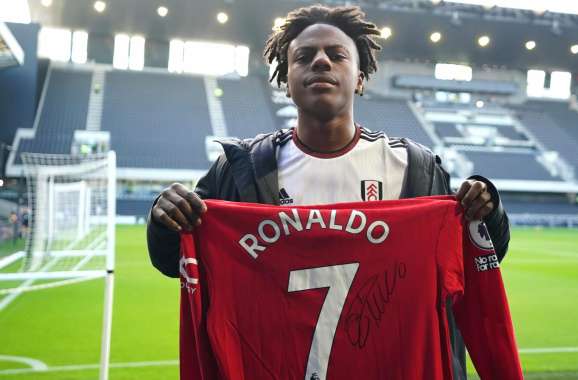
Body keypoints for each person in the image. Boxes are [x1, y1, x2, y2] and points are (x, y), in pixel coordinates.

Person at [147, 5, 510, 380]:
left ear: (360, 78)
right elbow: (174, 258)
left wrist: (488, 209)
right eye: (304, 57)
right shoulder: (242, 169)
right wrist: (163, 216)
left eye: (337, 55)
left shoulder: (412, 166)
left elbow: (477, 256)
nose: (320, 61)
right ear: (286, 80)